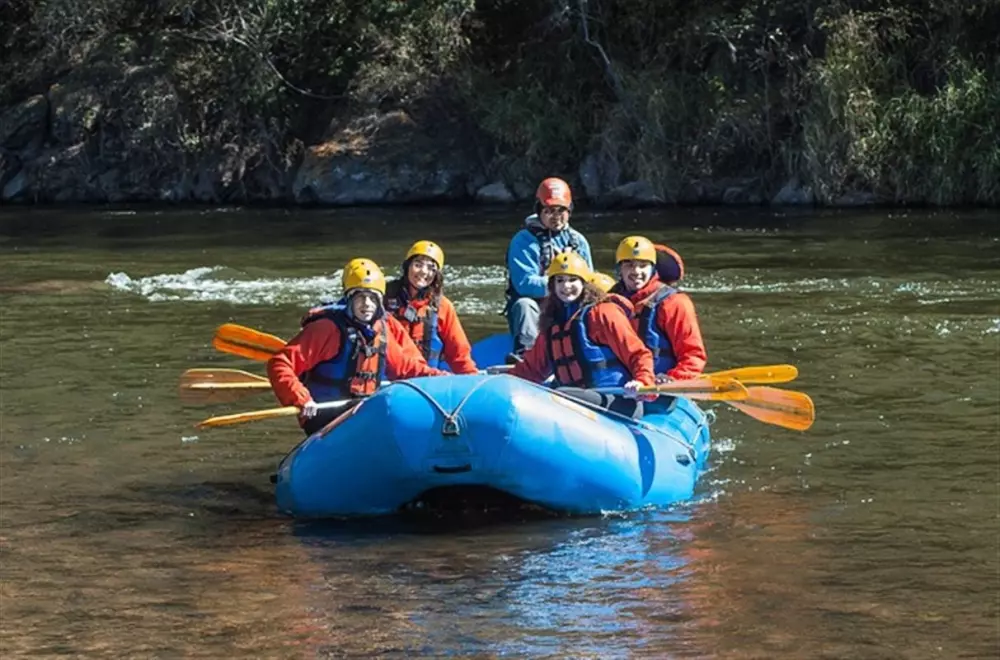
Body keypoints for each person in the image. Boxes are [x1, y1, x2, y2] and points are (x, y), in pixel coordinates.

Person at [267, 258, 447, 435]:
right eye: (360, 297)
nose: (367, 304)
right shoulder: (326, 329)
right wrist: (301, 398)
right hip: (325, 417)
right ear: (349, 299)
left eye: (372, 298)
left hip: (363, 412)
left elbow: (407, 368)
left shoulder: (381, 329)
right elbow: (280, 364)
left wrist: (444, 379)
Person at [509, 252, 656, 418]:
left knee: (557, 394)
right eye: (560, 280)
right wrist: (502, 383)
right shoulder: (552, 324)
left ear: (584, 283)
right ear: (552, 285)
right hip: (574, 401)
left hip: (618, 401)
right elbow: (531, 370)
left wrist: (642, 381)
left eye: (573, 280)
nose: (566, 286)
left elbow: (638, 354)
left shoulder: (602, 313)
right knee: (552, 393)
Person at [505, 177, 593, 361]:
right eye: (549, 211)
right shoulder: (523, 241)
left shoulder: (579, 241)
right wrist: (560, 283)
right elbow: (524, 285)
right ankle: (526, 357)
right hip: (537, 308)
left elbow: (590, 280)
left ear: (569, 211)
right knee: (524, 305)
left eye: (562, 210)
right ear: (539, 211)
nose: (556, 216)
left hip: (571, 304)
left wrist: (570, 289)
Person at [611, 236, 707, 381]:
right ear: (619, 269)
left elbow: (693, 355)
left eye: (643, 265)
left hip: (662, 386)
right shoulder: (609, 302)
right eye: (629, 264)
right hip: (621, 386)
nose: (636, 271)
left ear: (653, 268)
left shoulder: (674, 302)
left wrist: (672, 380)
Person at [384, 240, 478, 374]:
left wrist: (471, 378)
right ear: (407, 267)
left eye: (431, 268)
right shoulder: (384, 298)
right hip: (387, 379)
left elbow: (459, 352)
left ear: (436, 275)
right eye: (418, 265)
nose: (423, 272)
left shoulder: (443, 306)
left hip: (426, 380)